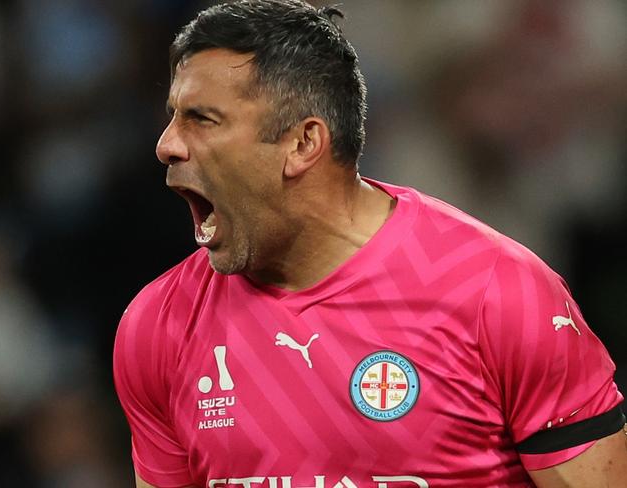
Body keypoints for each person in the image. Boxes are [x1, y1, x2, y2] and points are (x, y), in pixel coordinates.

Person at [113, 1, 627, 487]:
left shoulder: (496, 293)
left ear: (302, 143)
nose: (167, 144)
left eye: (202, 119)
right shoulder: (160, 326)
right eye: (173, 116)